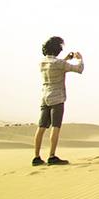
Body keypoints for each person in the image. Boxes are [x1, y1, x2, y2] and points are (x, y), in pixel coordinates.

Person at [34, 36, 84, 166]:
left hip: (44, 97)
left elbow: (54, 64)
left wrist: (66, 59)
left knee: (41, 127)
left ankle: (36, 157)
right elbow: (79, 69)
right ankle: (52, 155)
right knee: (55, 127)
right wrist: (80, 59)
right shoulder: (59, 64)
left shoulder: (42, 63)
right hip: (57, 98)